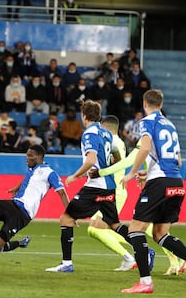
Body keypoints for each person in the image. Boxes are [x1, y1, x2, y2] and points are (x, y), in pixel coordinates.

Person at [45, 100, 130, 273]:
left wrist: (75, 176)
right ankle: (143, 249)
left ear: (84, 116)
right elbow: (117, 159)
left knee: (66, 219)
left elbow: (91, 159)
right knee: (114, 224)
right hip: (108, 186)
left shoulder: (89, 133)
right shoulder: (107, 133)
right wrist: (100, 170)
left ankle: (67, 264)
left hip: (95, 187)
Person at [120, 90, 186, 293]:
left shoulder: (147, 121)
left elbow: (145, 148)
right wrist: (147, 174)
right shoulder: (171, 125)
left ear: (144, 103)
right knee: (160, 234)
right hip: (176, 181)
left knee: (135, 229)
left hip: (159, 183)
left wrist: (132, 173)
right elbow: (177, 160)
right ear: (161, 103)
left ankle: (145, 282)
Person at [86, 115, 141, 271]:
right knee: (99, 228)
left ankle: (133, 254)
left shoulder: (111, 142)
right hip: (112, 190)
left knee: (95, 228)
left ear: (105, 127)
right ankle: (137, 250)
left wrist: (96, 172)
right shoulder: (119, 142)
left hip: (113, 191)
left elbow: (110, 165)